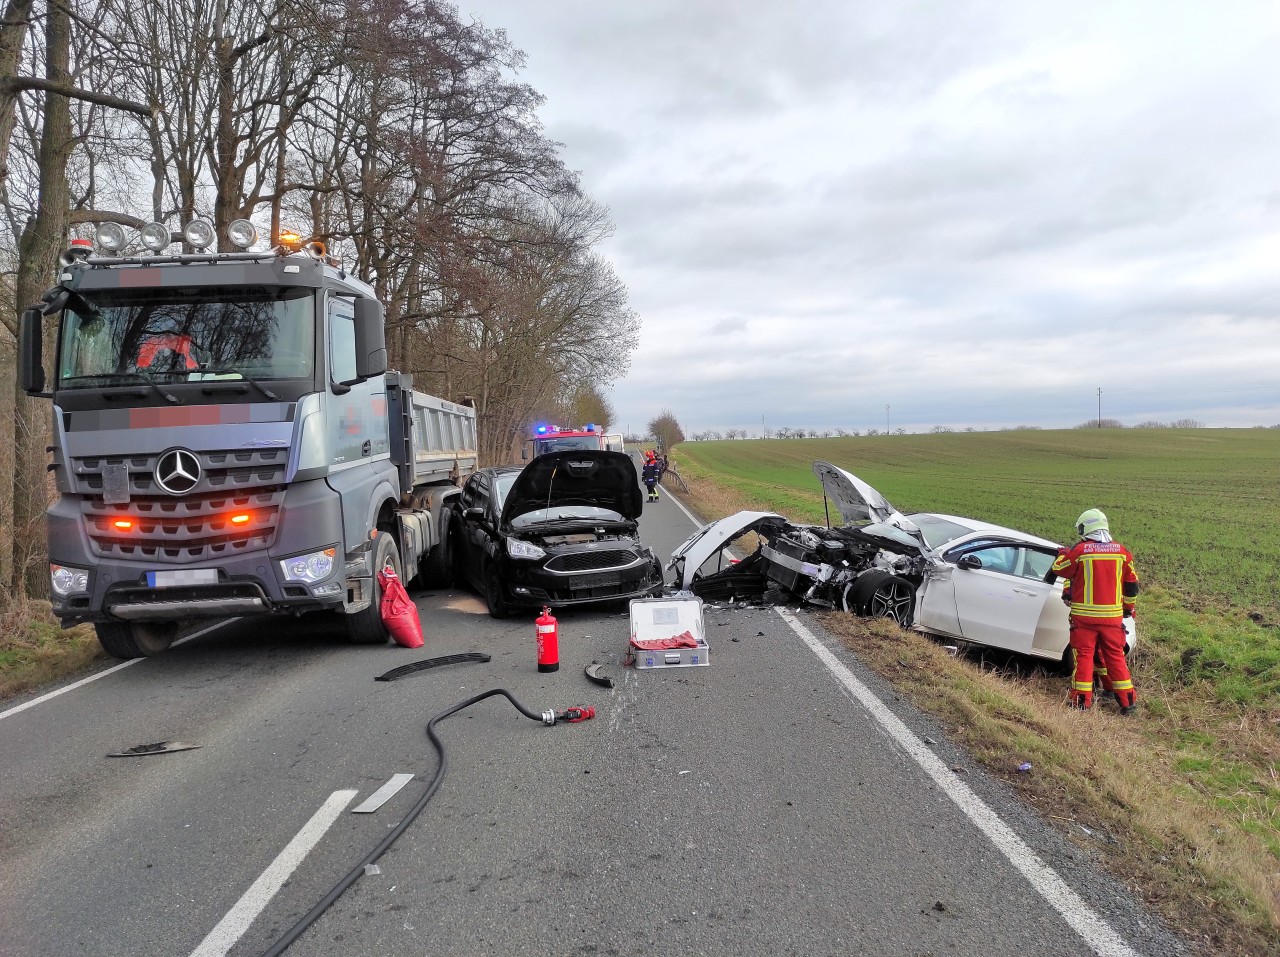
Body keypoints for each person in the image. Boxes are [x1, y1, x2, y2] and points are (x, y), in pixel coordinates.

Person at [1047, 508, 1139, 713]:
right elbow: (1132, 585)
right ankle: (1128, 702)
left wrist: (1063, 554)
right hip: (1112, 620)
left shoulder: (1080, 552)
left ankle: (1081, 702)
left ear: (1085, 528)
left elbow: (1060, 569)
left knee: (1084, 658)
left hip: (1084, 620)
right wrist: (1128, 608)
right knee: (1115, 657)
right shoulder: (1122, 552)